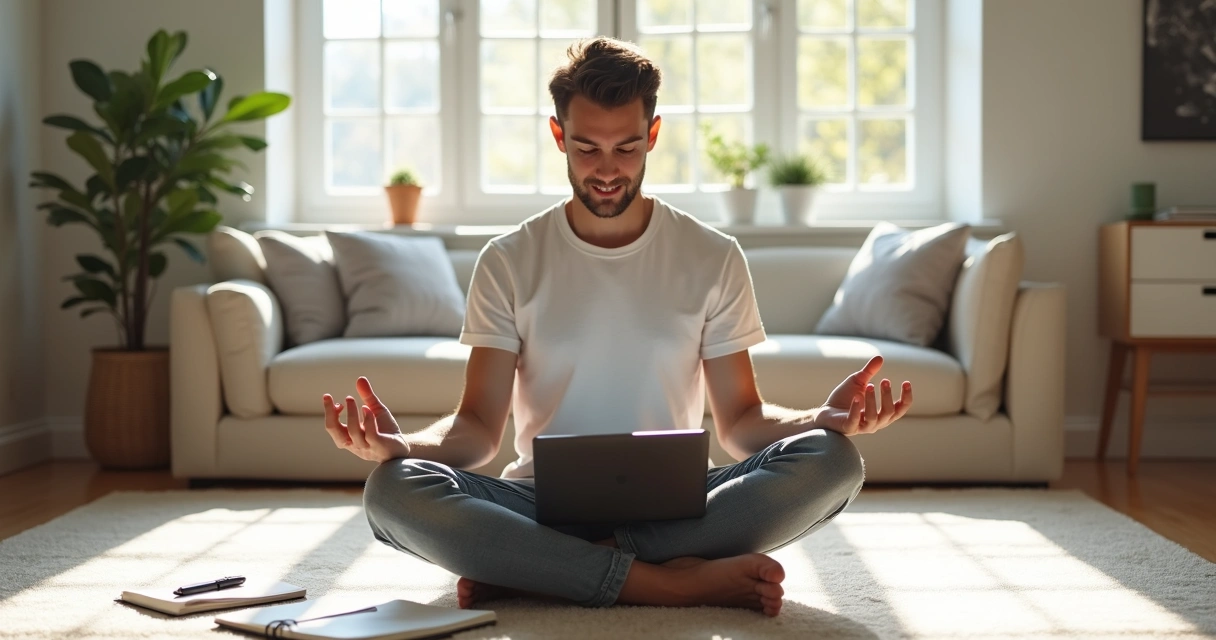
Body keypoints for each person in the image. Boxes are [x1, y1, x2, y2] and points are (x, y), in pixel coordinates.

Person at [322, 37, 913, 618]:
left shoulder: (713, 255)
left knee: (834, 462)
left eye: (627, 148)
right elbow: (477, 429)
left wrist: (822, 420)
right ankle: (665, 583)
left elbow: (741, 425)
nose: (607, 170)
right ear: (559, 136)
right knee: (393, 490)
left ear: (652, 135)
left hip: (680, 506)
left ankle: (544, 569)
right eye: (587, 149)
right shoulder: (508, 259)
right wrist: (405, 448)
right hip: (539, 502)